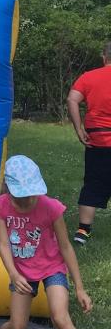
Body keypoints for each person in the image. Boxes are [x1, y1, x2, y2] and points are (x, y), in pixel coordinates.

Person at [0, 155, 109, 329]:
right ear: (8, 189)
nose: (28, 201)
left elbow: (65, 247)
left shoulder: (51, 207)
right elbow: (4, 244)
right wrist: (14, 274)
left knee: (61, 318)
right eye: (21, 196)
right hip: (22, 272)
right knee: (18, 326)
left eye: (31, 195)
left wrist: (80, 287)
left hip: (52, 267)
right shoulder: (0, 206)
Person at [67, 43, 111, 245]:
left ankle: (83, 231)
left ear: (104, 56)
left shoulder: (89, 77)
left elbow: (72, 99)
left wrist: (79, 129)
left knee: (93, 182)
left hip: (98, 140)